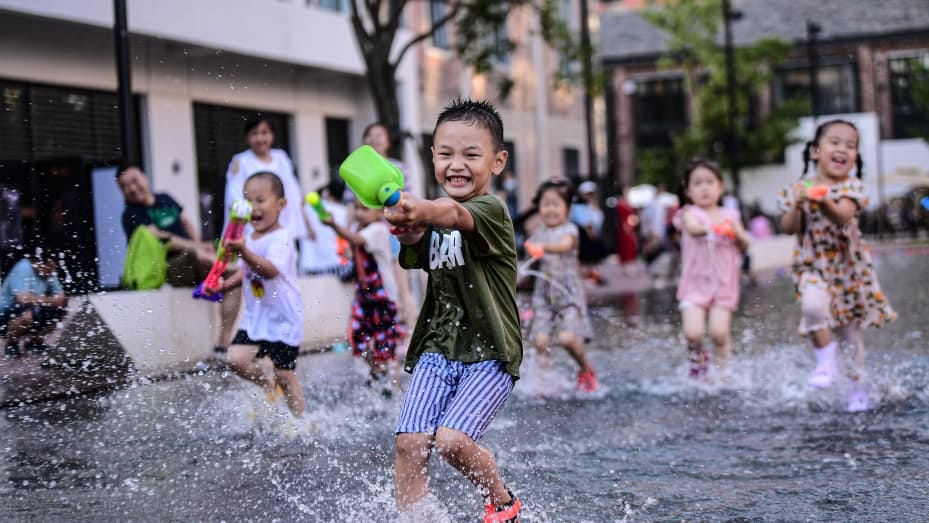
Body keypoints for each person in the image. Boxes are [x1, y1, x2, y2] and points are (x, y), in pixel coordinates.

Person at [384, 99, 523, 522]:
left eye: (471, 155)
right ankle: (416, 517)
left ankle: (503, 503)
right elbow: (417, 247)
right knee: (410, 443)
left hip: (491, 352)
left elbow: (454, 214)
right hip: (439, 347)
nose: (456, 165)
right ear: (432, 157)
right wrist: (408, 230)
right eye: (445, 154)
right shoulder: (434, 216)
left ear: (498, 162)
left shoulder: (492, 210)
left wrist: (419, 209)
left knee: (451, 441)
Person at [778, 119, 896, 412]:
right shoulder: (798, 188)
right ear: (816, 151)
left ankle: (857, 388)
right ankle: (825, 361)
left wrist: (823, 199)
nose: (843, 148)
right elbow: (788, 227)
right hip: (812, 266)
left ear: (855, 156)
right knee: (812, 308)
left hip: (848, 273)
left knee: (850, 336)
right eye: (835, 142)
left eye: (851, 145)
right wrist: (798, 203)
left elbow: (842, 216)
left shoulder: (852, 187)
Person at [206, 172, 306, 416]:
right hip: (257, 315)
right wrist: (225, 285)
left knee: (284, 373)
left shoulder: (282, 238)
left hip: (284, 317)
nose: (254, 208)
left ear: (281, 204)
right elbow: (246, 271)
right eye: (249, 201)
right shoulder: (248, 238)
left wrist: (243, 251)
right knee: (235, 359)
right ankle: (265, 382)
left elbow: (269, 270)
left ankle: (300, 422)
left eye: (261, 200)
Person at [118, 166, 241, 353]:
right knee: (200, 257)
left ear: (144, 177)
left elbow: (186, 222)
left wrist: (200, 242)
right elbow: (163, 238)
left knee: (234, 278)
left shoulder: (164, 199)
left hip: (196, 259)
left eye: (134, 180)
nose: (132, 188)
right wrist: (198, 247)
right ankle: (227, 272)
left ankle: (223, 344)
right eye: (125, 186)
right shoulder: (130, 214)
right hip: (167, 267)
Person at [673, 158, 750, 381]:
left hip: (724, 285)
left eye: (709, 182)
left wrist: (736, 233)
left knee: (719, 332)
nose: (704, 187)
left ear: (720, 187)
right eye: (697, 183)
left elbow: (745, 244)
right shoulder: (689, 213)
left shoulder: (731, 216)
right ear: (688, 191)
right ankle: (698, 360)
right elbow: (693, 229)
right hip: (694, 285)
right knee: (693, 332)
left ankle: (724, 370)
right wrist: (710, 228)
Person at [321, 199, 404, 390]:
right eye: (356, 208)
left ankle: (395, 388)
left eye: (364, 209)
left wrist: (335, 225)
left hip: (383, 298)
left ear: (379, 213)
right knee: (357, 340)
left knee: (386, 346)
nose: (359, 213)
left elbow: (357, 241)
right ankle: (378, 371)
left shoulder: (378, 229)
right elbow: (351, 250)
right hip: (364, 297)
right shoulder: (359, 229)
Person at [524, 178, 599, 392]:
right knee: (540, 341)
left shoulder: (571, 230)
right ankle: (545, 382)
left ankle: (585, 368)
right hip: (543, 296)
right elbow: (528, 259)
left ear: (567, 208)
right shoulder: (539, 232)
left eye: (556, 204)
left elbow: (563, 246)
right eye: (546, 204)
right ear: (538, 207)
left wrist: (541, 247)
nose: (550, 210)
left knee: (566, 339)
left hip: (568, 296)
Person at [362, 122, 419, 334]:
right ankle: (387, 337)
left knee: (401, 285)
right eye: (371, 135)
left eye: (380, 135)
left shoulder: (397, 168)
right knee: (377, 289)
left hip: (395, 233)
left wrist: (376, 214)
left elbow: (407, 200)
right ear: (365, 141)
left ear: (388, 141)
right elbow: (351, 205)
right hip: (369, 236)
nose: (376, 139)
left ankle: (412, 332)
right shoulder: (360, 171)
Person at [225, 115, 307, 242]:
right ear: (247, 137)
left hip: (286, 225)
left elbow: (294, 192)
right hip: (255, 227)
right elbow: (235, 196)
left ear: (272, 135)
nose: (260, 138)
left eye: (264, 133)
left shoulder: (281, 157)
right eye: (254, 133)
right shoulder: (241, 161)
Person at [0, 247, 67, 357]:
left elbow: (61, 298)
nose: (51, 272)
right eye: (49, 268)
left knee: (59, 311)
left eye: (53, 268)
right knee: (26, 313)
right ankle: (11, 344)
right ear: (36, 262)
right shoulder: (23, 267)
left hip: (31, 310)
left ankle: (34, 342)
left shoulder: (49, 271)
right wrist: (49, 300)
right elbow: (22, 298)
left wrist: (56, 301)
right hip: (5, 314)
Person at [299, 177, 350, 276]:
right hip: (335, 265)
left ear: (327, 192)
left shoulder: (308, 208)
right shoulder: (344, 212)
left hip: (310, 265)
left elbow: (300, 205)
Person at [570, 180, 608, 284]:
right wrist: (590, 232)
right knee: (585, 260)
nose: (589, 196)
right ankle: (586, 278)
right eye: (587, 194)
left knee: (591, 260)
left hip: (593, 235)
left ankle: (593, 276)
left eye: (591, 194)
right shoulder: (579, 206)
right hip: (585, 236)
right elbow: (586, 223)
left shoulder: (593, 205)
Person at [614, 185, 639, 275]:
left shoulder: (629, 203)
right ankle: (626, 266)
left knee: (631, 246)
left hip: (630, 226)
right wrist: (627, 226)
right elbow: (622, 218)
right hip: (625, 228)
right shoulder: (621, 203)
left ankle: (629, 265)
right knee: (626, 246)